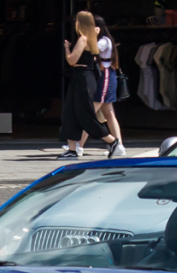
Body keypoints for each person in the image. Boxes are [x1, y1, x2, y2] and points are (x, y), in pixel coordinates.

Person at [58, 11, 121, 161]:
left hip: (83, 77)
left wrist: (67, 47)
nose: (75, 25)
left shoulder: (83, 39)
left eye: (77, 22)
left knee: (84, 113)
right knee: (70, 112)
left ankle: (111, 140)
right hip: (82, 76)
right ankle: (72, 149)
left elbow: (71, 60)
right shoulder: (91, 40)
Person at [80, 15, 125, 157]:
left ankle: (78, 145)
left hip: (104, 76)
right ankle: (119, 146)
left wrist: (88, 36)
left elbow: (89, 49)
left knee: (90, 112)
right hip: (104, 75)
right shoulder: (103, 40)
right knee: (108, 113)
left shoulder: (104, 41)